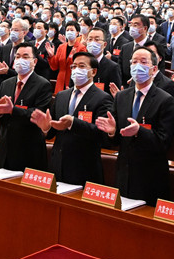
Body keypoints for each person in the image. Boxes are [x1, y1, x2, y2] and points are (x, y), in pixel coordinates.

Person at [100, 45, 174, 204]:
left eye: (143, 62)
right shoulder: (121, 96)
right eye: (134, 62)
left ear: (154, 69)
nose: (137, 66)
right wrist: (112, 132)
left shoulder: (165, 100)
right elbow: (114, 142)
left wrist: (139, 131)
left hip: (150, 177)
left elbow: (163, 142)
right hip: (124, 173)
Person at [35, 50, 114, 188]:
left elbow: (101, 134)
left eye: (82, 66)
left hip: (84, 167)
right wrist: (46, 128)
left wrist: (73, 123)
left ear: (93, 72)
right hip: (58, 165)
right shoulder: (61, 96)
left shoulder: (103, 98)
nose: (76, 70)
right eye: (74, 66)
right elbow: (53, 131)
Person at [0, 43, 53, 172]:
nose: (20, 60)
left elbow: (37, 114)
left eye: (25, 57)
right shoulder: (6, 83)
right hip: (5, 147)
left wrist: (12, 110)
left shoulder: (43, 85)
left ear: (34, 61)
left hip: (28, 148)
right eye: (17, 56)